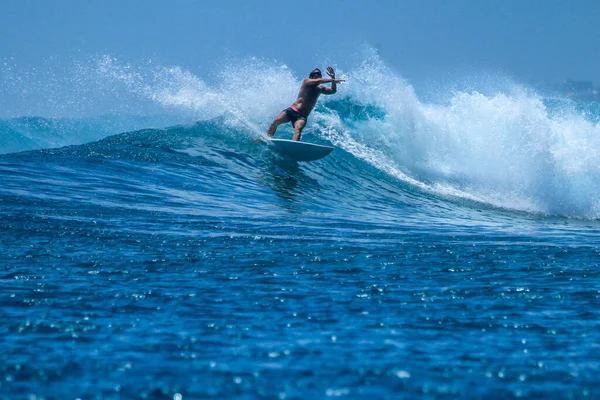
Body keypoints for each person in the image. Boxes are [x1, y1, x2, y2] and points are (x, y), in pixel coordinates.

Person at [267, 66, 344, 141]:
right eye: (314, 73)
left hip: (302, 116)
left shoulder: (320, 89)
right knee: (276, 121)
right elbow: (318, 81)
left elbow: (333, 91)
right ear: (311, 76)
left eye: (318, 73)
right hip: (292, 110)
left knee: (298, 129)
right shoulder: (306, 81)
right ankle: (267, 138)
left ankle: (294, 146)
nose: (316, 75)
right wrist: (333, 80)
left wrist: (333, 77)